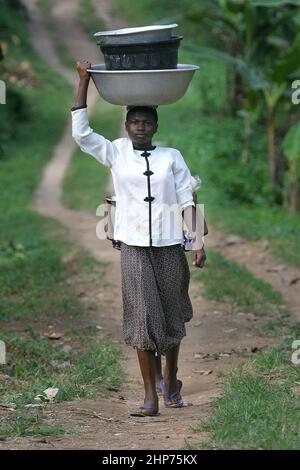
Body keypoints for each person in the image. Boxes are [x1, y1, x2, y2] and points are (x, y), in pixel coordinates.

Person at [71, 59, 207, 417]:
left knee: (173, 313)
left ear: (156, 125)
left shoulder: (171, 157)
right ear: (126, 125)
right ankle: (150, 396)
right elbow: (82, 134)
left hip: (169, 245)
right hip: (133, 246)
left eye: (147, 122)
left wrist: (199, 240)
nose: (140, 127)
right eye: (134, 122)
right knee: (142, 317)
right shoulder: (115, 152)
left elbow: (186, 198)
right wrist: (83, 81)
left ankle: (171, 377)